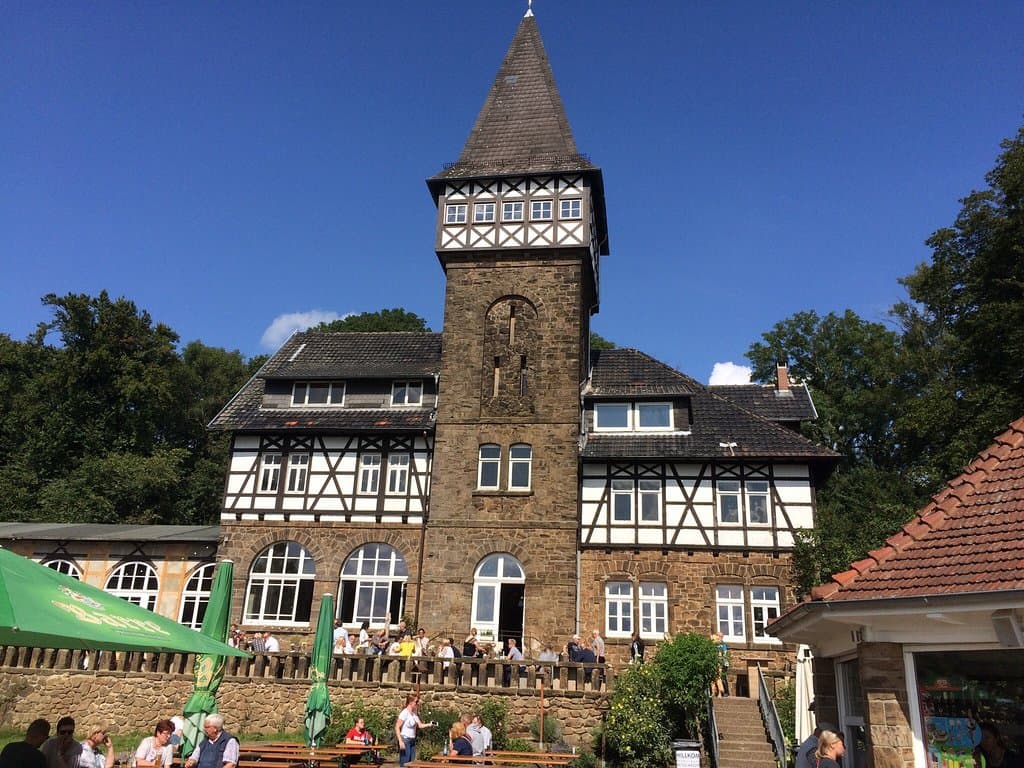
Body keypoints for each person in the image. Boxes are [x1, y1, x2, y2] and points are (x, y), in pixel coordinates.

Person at [394, 693, 434, 767]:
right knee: (404, 763)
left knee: (411, 763)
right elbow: (397, 727)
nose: (417, 703)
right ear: (410, 702)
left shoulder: (414, 713)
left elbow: (420, 725)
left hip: (412, 741)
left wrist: (430, 724)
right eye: (416, 702)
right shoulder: (404, 713)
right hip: (405, 740)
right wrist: (400, 741)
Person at [712, 631, 730, 697]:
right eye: (718, 636)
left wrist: (722, 658)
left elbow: (725, 653)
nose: (719, 637)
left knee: (723, 677)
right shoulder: (715, 644)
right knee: (716, 678)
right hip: (717, 663)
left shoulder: (723, 644)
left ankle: (726, 692)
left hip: (723, 663)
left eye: (720, 636)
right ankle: (717, 692)